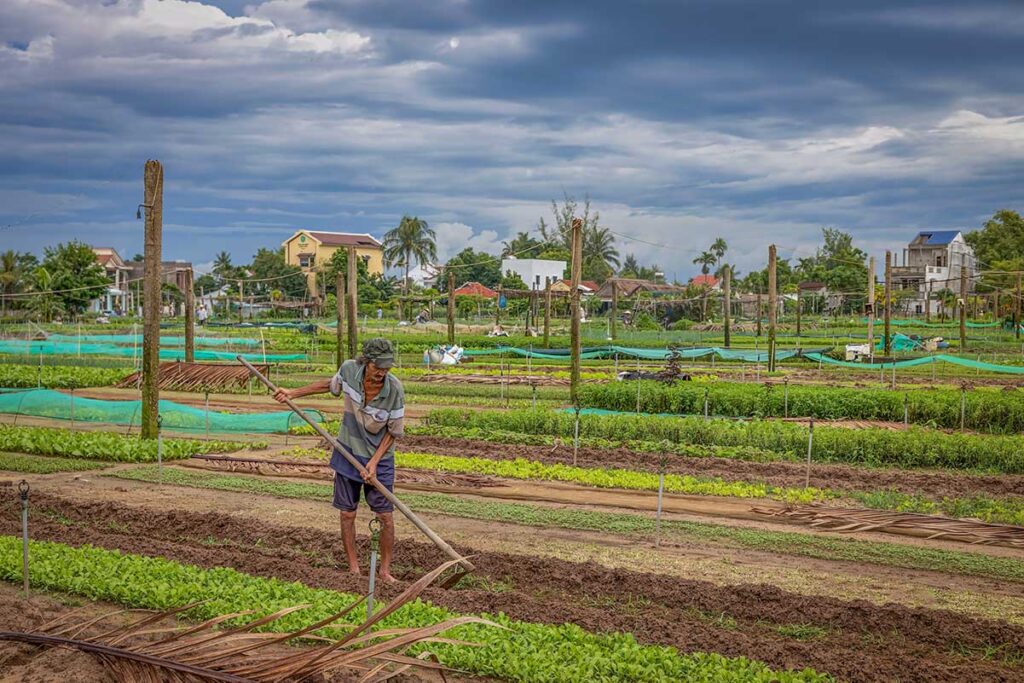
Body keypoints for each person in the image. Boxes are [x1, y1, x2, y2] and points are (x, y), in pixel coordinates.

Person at [273, 338, 404, 582]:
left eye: (387, 368)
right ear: (366, 362)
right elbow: (329, 386)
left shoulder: (394, 389)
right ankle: (354, 569)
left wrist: (374, 463)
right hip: (348, 451)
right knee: (347, 514)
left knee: (385, 516)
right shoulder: (349, 370)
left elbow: (393, 432)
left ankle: (385, 571)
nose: (382, 373)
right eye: (378, 367)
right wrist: (293, 393)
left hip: (380, 457)